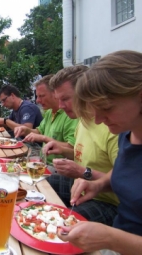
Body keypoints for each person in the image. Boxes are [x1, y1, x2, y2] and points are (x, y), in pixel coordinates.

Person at [56, 50, 142, 254]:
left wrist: (111, 238)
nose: (97, 120)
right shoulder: (127, 133)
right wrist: (98, 184)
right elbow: (127, 172)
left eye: (107, 108)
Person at [43, 65, 119, 226]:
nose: (61, 106)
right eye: (58, 100)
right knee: (42, 185)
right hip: (81, 186)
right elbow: (82, 154)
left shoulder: (113, 127)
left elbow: (126, 182)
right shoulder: (83, 120)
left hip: (110, 202)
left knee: (64, 226)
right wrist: (63, 150)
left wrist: (83, 172)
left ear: (85, 93)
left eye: (65, 99)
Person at [14, 75, 78, 164]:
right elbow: (39, 131)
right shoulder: (49, 111)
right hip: (43, 162)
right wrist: (26, 130)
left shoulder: (70, 114)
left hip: (57, 168)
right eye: (37, 96)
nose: (37, 100)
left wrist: (44, 138)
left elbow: (72, 148)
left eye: (42, 96)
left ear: (55, 94)